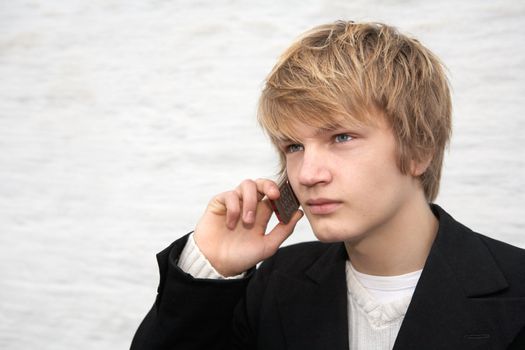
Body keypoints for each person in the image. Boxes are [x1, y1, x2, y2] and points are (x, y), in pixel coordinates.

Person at [130, 21, 525, 350]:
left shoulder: (517, 291)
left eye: (341, 138)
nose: (306, 174)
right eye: (294, 146)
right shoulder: (273, 285)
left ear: (418, 148)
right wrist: (210, 272)